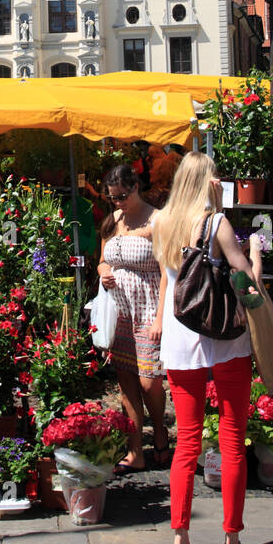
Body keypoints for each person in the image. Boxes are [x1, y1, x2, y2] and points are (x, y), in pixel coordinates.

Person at [152, 151, 262, 544]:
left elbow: (168, 277)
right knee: (232, 439)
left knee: (186, 444)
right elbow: (245, 283)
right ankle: (232, 538)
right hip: (225, 340)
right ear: (207, 183)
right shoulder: (217, 223)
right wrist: (255, 255)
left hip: (181, 343)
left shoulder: (162, 222)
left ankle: (180, 542)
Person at [97, 163, 170, 472]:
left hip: (148, 307)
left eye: (122, 196)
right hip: (120, 312)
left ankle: (161, 430)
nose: (118, 203)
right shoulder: (114, 220)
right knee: (126, 382)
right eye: (113, 197)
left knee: (149, 380)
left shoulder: (157, 220)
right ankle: (135, 450)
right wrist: (104, 274)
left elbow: (168, 272)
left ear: (136, 187)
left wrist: (160, 320)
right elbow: (102, 261)